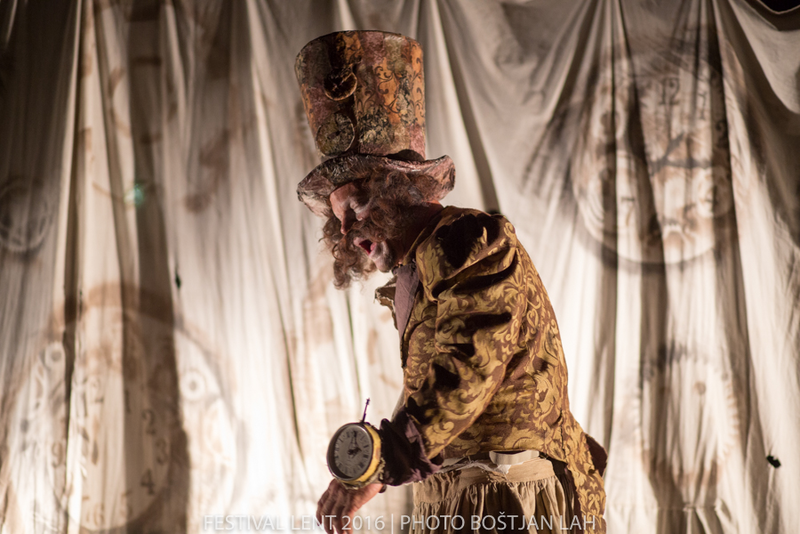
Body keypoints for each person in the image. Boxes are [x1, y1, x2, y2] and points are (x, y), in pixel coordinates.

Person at [295, 31, 607, 534]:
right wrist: (380, 462)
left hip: (501, 498)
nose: (347, 231)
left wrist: (384, 460)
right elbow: (433, 389)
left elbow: (469, 365)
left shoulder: (464, 239)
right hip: (454, 498)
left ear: (398, 188)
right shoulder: (413, 272)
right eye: (339, 218)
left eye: (356, 206)